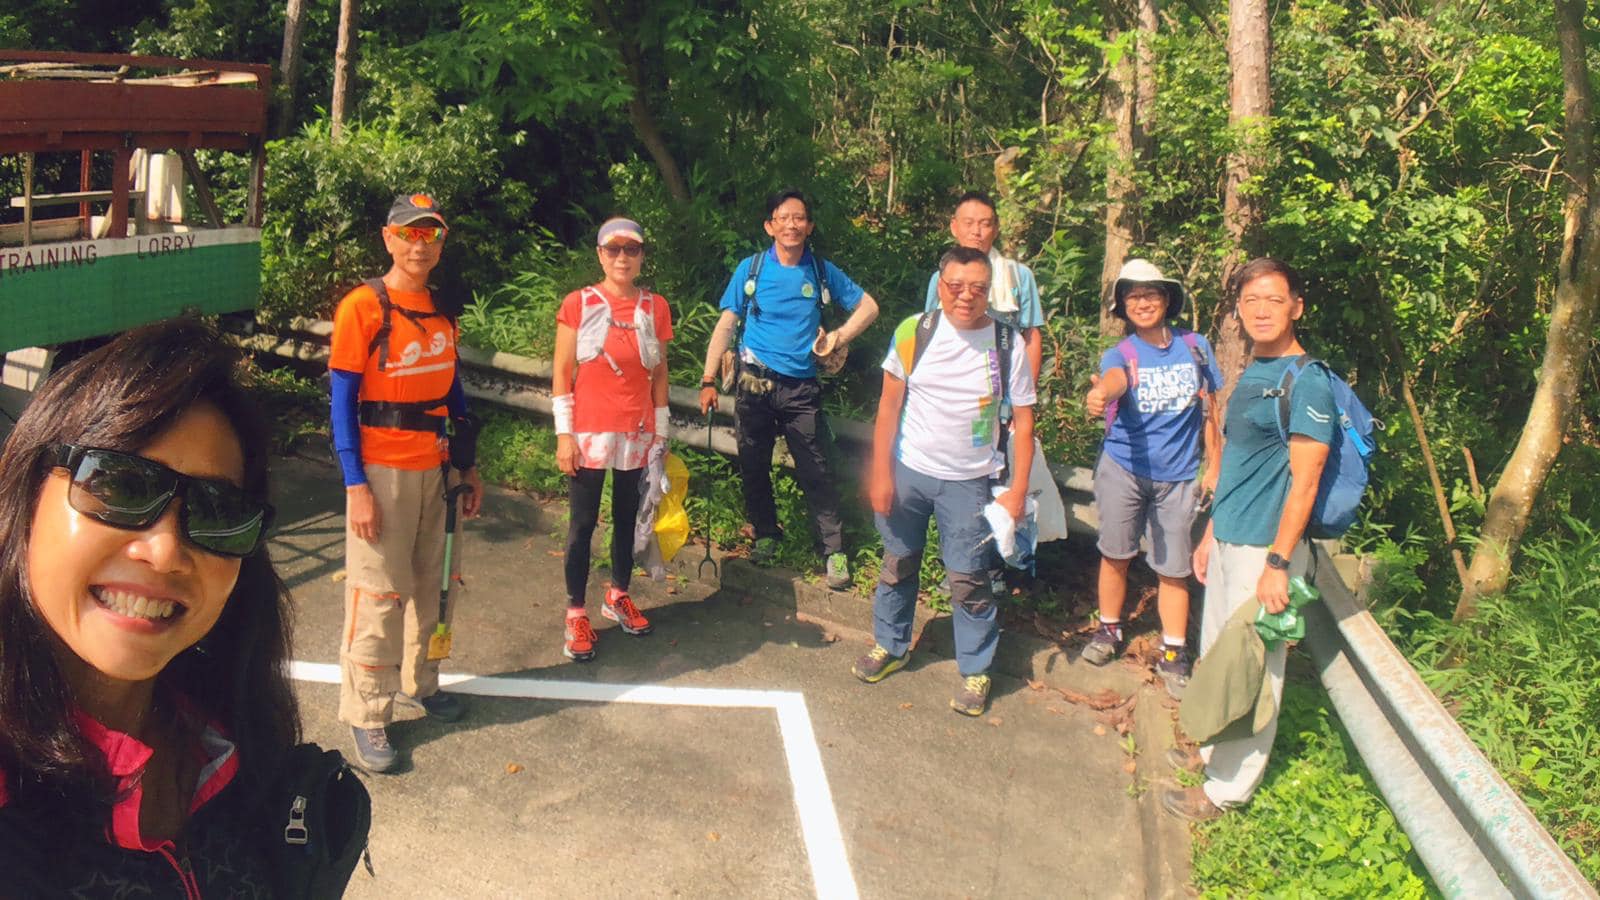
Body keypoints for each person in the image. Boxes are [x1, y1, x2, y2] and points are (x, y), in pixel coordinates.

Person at [0, 320, 325, 894]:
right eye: (120, 486)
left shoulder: (234, 746)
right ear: (26, 497)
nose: (167, 551)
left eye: (218, 511)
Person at [1160, 257, 1334, 821]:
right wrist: (1211, 532)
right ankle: (1211, 752)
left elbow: (1305, 482)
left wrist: (1280, 563)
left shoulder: (1307, 381)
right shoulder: (1254, 373)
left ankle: (1226, 791)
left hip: (1267, 547)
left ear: (1298, 307)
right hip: (1231, 536)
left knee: (1255, 671)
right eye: (1251, 300)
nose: (1261, 310)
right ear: (1238, 308)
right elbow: (1237, 462)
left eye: (1274, 300)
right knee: (1219, 658)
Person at [329, 193, 485, 773]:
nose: (420, 246)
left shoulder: (443, 308)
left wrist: (468, 467)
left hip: (437, 465)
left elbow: (453, 393)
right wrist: (355, 484)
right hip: (382, 470)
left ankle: (424, 682)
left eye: (431, 236)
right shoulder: (363, 308)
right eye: (409, 234)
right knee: (379, 592)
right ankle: (368, 714)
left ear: (441, 244)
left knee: (435, 584)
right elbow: (342, 400)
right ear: (388, 238)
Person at [853, 246, 1036, 716]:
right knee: (898, 562)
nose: (966, 297)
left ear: (988, 290)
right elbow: (888, 407)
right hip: (909, 470)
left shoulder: (1006, 343)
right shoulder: (917, 331)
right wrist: (880, 474)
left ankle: (976, 667)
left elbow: (1023, 421)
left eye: (977, 288)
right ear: (941, 285)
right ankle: (890, 645)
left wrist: (1017, 490)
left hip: (970, 481)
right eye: (956, 286)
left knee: (969, 578)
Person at [697, 189, 879, 589]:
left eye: (799, 218)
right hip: (753, 383)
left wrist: (837, 336)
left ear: (809, 226)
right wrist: (708, 379)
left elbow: (869, 306)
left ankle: (833, 551)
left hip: (801, 389)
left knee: (816, 469)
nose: (792, 224)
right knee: (753, 464)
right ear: (770, 226)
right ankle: (765, 534)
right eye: (783, 218)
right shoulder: (752, 269)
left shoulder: (820, 271)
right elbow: (726, 325)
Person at [1082, 259, 1221, 697]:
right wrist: (1102, 393)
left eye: (1150, 294)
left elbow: (1212, 410)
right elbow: (1115, 381)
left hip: (1178, 476)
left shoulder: (1196, 347)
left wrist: (1214, 464)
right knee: (1116, 553)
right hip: (1123, 468)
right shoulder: (1120, 353)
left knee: (1173, 568)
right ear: (1122, 305)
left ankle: (1174, 651)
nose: (1142, 303)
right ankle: (1108, 630)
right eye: (1132, 296)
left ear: (1167, 299)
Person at [551, 217, 670, 662]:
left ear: (641, 256)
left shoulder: (655, 306)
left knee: (627, 519)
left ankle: (618, 592)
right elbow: (562, 373)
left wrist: (661, 432)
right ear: (600, 254)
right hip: (589, 431)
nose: (623, 257)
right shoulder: (579, 303)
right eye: (614, 249)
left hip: (636, 433)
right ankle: (576, 612)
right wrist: (565, 435)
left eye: (632, 249)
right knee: (582, 524)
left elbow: (660, 373)